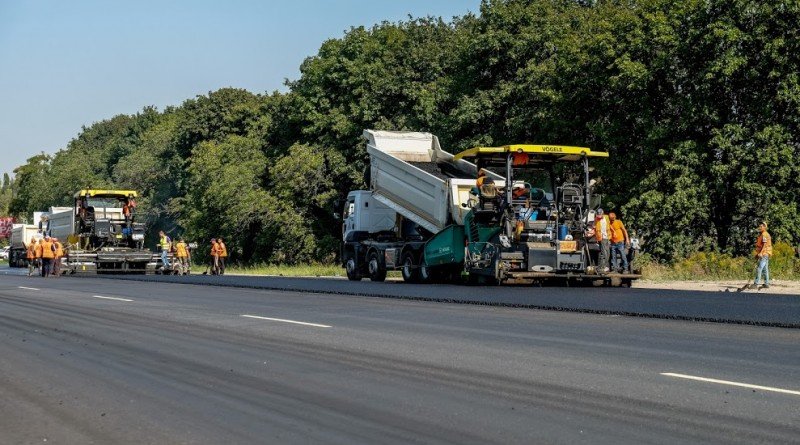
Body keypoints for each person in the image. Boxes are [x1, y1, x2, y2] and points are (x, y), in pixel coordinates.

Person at [753, 222, 772, 289]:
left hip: (764, 253)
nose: (759, 228)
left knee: (759, 268)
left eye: (761, 226)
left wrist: (760, 253)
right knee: (765, 269)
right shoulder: (763, 234)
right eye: (759, 226)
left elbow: (764, 245)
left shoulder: (764, 234)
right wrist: (757, 254)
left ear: (764, 227)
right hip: (765, 253)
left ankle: (756, 284)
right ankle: (766, 284)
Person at [594, 208, 612, 273]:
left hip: (607, 237)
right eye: (598, 215)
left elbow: (609, 225)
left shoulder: (607, 217)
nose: (599, 216)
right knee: (604, 253)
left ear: (602, 213)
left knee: (607, 253)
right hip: (601, 238)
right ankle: (602, 267)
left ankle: (603, 266)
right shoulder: (596, 219)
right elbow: (595, 228)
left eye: (600, 215)